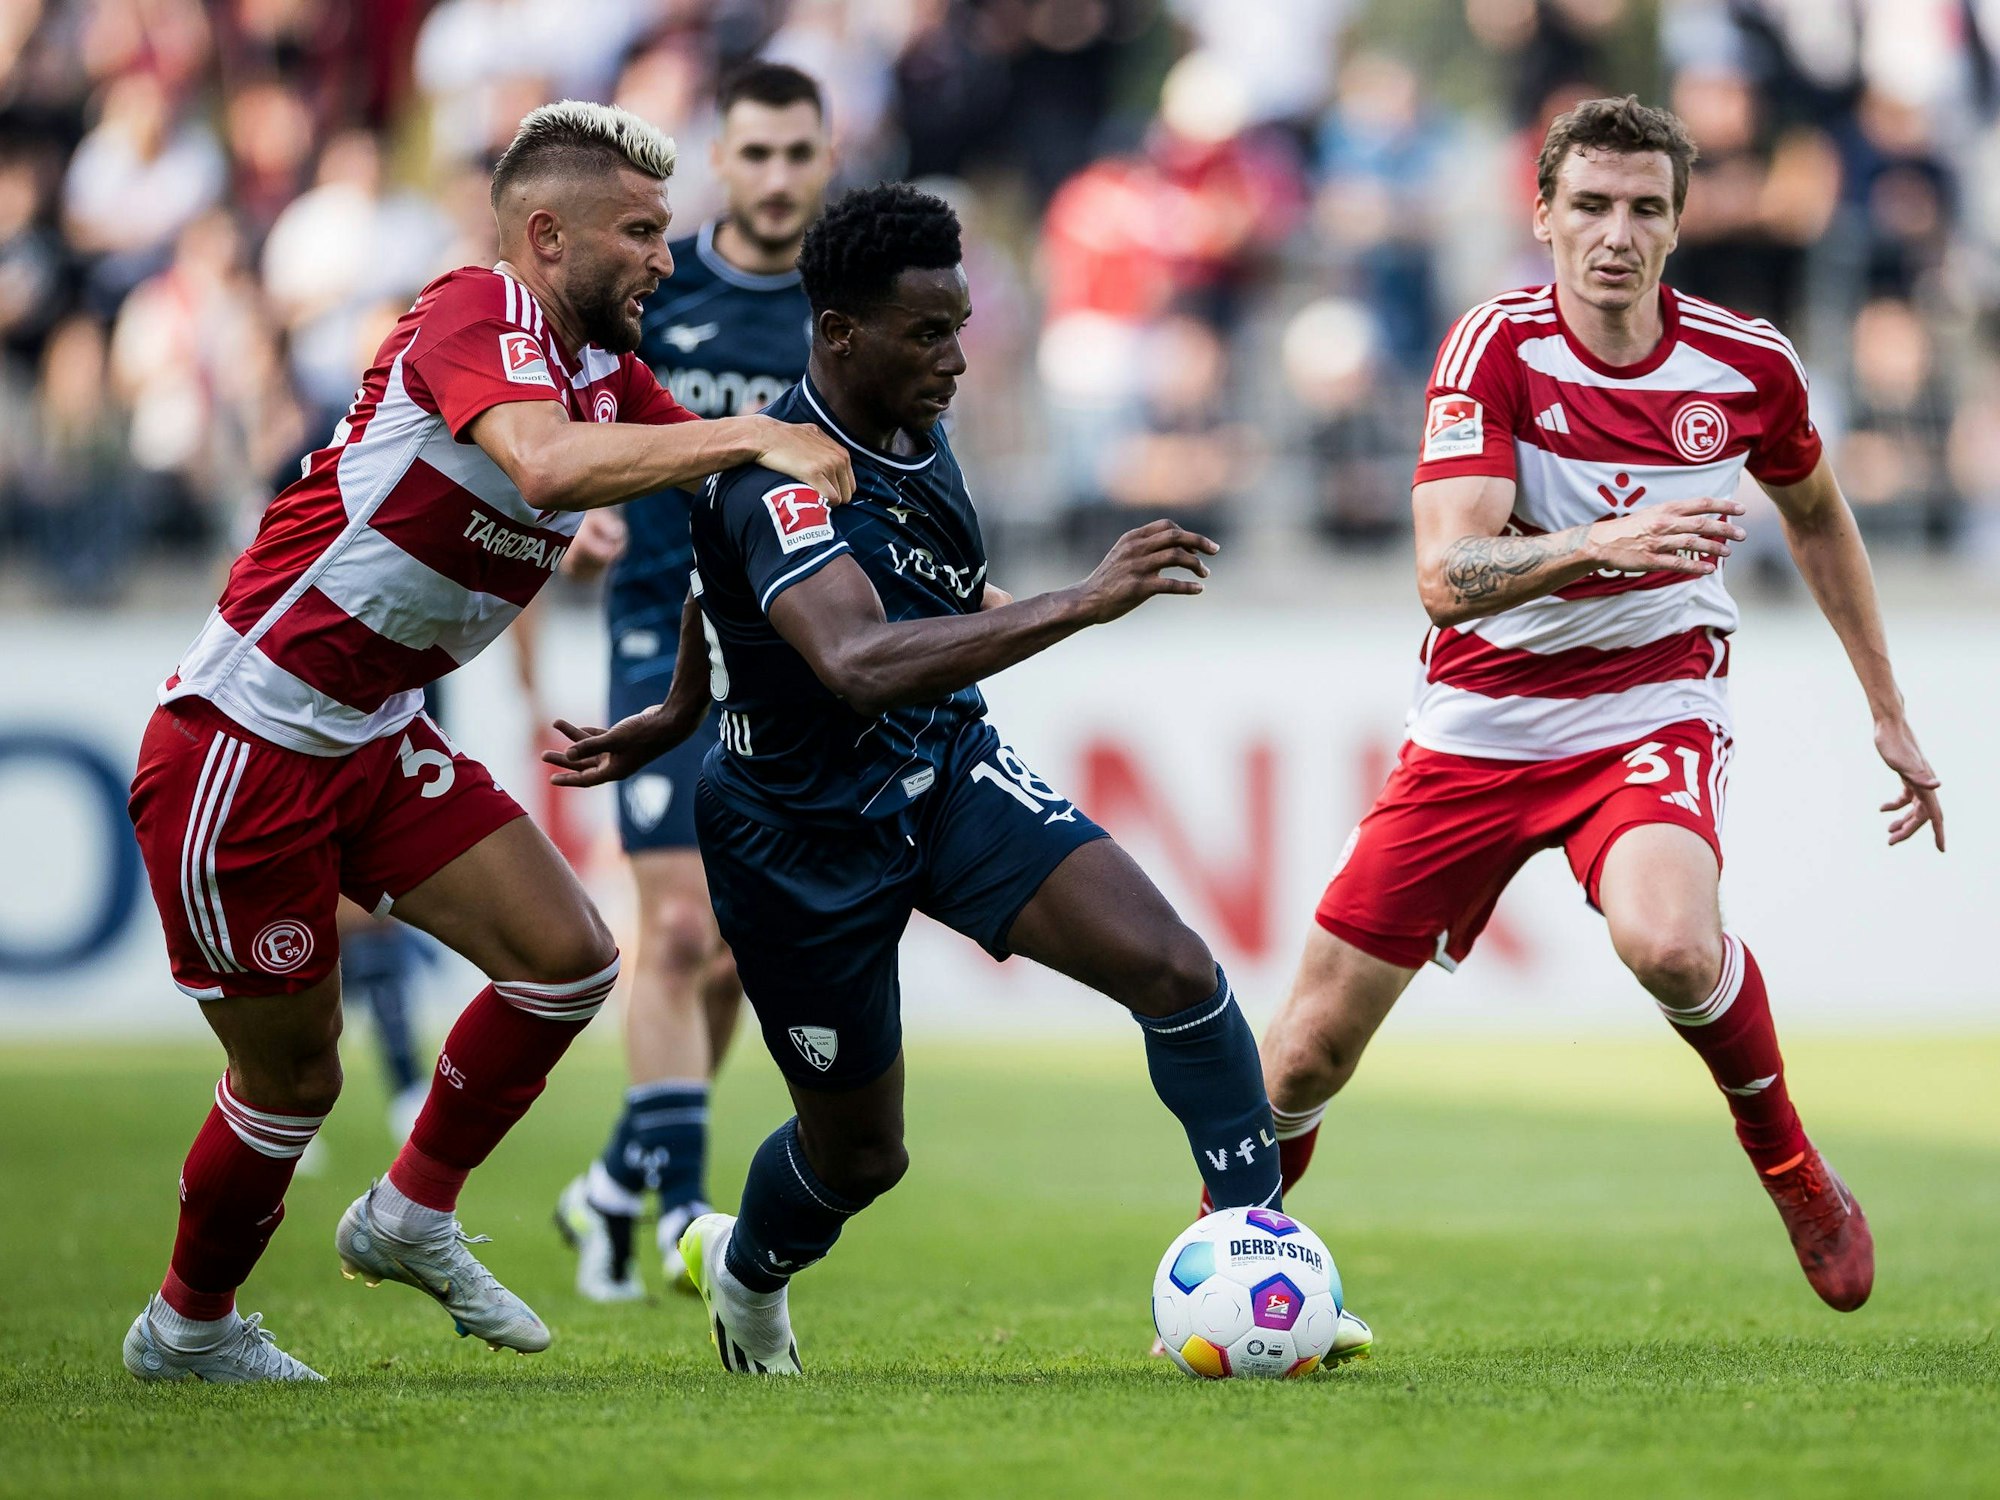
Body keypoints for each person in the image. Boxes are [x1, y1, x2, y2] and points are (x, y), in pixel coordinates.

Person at [120, 99, 854, 1384]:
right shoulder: (477, 309)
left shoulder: (595, 371)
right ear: (544, 233)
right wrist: (748, 431)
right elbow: (552, 470)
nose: (664, 261)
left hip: (374, 731)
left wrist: (698, 680)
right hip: (247, 738)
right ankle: (186, 1326)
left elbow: (687, 495)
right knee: (295, 1082)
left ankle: (409, 1214)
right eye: (639, 233)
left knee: (568, 960)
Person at [543, 184, 1281, 1375]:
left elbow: (722, 598)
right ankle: (745, 1273)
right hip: (795, 840)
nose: (956, 358)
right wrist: (1081, 599)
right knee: (858, 1161)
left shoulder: (915, 428)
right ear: (839, 334)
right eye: (927, 333)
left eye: (960, 325)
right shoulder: (772, 475)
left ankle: (1261, 1262)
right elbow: (851, 660)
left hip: (942, 771)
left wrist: (681, 703)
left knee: (1176, 969)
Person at [1244, 96, 1944, 1313]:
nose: (1613, 234)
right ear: (1542, 216)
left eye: (1643, 209)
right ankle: (1226, 1252)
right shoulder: (1493, 352)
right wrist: (1608, 539)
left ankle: (1790, 1168)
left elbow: (1819, 513)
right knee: (1303, 1051)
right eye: (1588, 207)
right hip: (1480, 718)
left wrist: (1884, 708)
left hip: (1649, 697)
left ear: (1676, 226)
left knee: (1669, 942)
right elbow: (1444, 579)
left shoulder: (1746, 367)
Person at [554, 61, 832, 1303]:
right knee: (671, 929)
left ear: (825, 161)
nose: (775, 176)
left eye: (797, 154)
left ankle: (615, 1182)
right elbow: (552, 426)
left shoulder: (848, 308)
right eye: (755, 153)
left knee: (725, 950)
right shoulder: (660, 286)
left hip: (785, 657)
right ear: (722, 160)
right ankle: (684, 1212)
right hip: (654, 633)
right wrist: (567, 520)